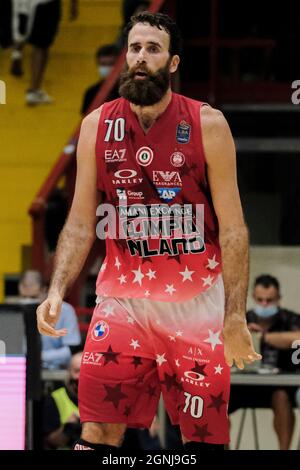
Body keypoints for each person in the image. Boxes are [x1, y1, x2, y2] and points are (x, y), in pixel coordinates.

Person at [37, 12, 261, 453]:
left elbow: (234, 231)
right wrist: (57, 289)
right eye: (134, 48)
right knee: (97, 434)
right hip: (123, 306)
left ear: (173, 63)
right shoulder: (97, 125)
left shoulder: (207, 124)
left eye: (153, 49)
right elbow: (82, 221)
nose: (140, 58)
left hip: (196, 309)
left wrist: (234, 316)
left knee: (199, 444)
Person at [229, 274, 300, 450]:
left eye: (270, 300)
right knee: (217, 401)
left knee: (282, 396)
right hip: (242, 385)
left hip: (277, 387)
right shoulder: (242, 320)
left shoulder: (289, 319)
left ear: (278, 299)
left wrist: (266, 337)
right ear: (253, 298)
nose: (265, 304)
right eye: (260, 300)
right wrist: (242, 334)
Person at [19, 270, 81, 368]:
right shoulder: (18, 311)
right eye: (24, 297)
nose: (28, 302)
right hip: (24, 368)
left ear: (44, 290)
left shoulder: (65, 310)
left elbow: (72, 349)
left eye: (33, 297)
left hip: (58, 369)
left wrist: (39, 356)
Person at [43, 351, 82, 449]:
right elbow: (51, 441)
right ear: (69, 373)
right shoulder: (55, 398)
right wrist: (68, 427)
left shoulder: (102, 398)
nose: (82, 376)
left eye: (86, 371)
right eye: (77, 371)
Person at [80, 44, 119, 116]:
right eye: (103, 64)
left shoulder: (129, 91)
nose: (107, 68)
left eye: (111, 64)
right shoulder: (91, 93)